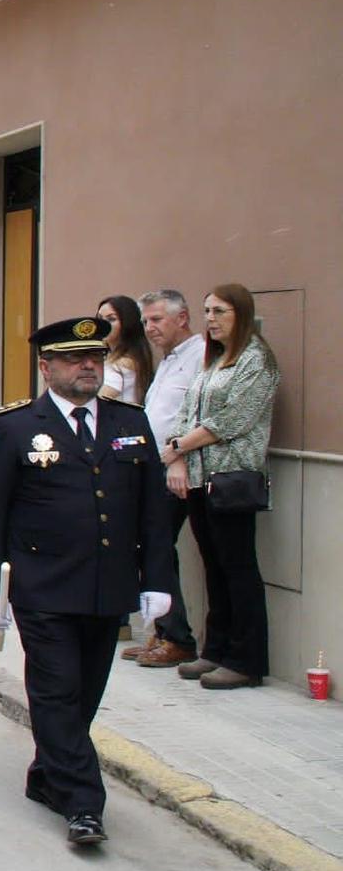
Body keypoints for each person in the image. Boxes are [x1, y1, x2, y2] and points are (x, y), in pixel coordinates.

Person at [0, 316, 173, 846]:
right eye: (74, 359)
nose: (88, 367)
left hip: (107, 588)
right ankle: (85, 805)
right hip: (43, 587)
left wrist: (158, 580)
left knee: (84, 695)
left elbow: (153, 510)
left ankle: (46, 777)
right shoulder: (15, 426)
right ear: (46, 367)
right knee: (57, 693)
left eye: (95, 358)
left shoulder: (129, 422)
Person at [165, 284, 281, 691]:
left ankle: (245, 660)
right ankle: (215, 649)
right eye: (207, 311)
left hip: (231, 479)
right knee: (212, 568)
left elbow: (232, 420)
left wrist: (177, 446)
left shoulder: (256, 361)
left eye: (220, 311)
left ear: (241, 314)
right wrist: (177, 455)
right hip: (199, 480)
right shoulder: (211, 363)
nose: (210, 319)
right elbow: (186, 413)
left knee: (238, 569)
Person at [124, 289, 207, 666]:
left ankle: (178, 639)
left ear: (183, 318)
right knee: (149, 547)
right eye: (145, 322)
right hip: (152, 465)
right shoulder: (169, 360)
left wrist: (178, 458)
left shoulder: (200, 356)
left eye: (157, 319)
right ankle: (160, 633)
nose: (149, 328)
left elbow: (195, 415)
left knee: (155, 546)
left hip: (177, 469)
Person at [97, 294, 155, 404]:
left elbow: (97, 402)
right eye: (99, 319)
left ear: (127, 323)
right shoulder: (135, 358)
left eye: (111, 319)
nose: (103, 324)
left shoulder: (122, 364)